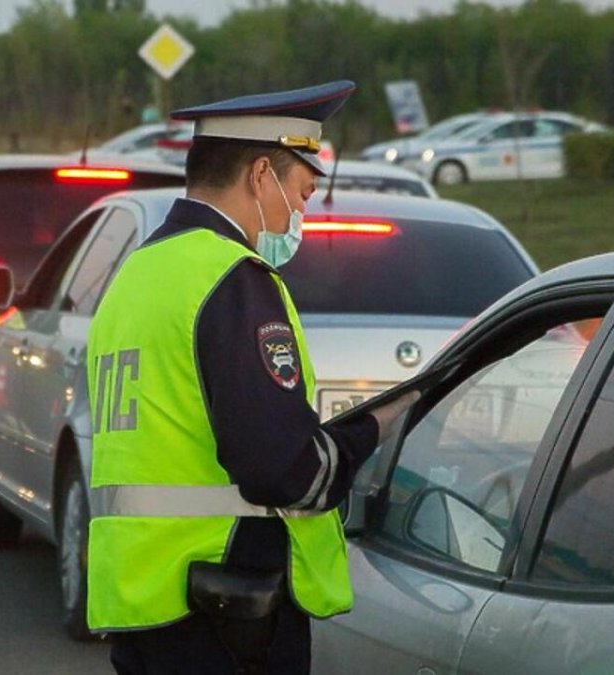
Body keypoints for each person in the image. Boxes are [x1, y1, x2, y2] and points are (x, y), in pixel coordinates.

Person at [85, 81, 420, 674]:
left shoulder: (136, 276)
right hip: (228, 614)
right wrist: (376, 427)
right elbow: (284, 469)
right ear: (261, 175)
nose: (301, 214)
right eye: (302, 192)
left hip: (146, 601)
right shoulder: (235, 278)